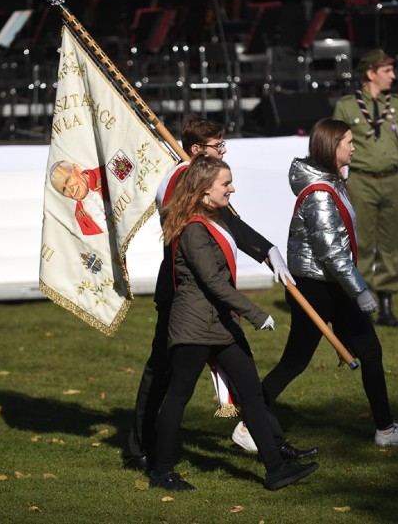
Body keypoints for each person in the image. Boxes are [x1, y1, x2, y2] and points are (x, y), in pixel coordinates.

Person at [123, 117, 317, 471]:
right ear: (196, 151)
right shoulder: (183, 179)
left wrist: (266, 249)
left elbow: (230, 222)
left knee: (244, 378)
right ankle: (142, 449)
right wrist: (258, 302)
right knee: (167, 377)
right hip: (184, 296)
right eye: (217, 146)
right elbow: (209, 228)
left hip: (209, 300)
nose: (223, 150)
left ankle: (273, 447)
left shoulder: (204, 178)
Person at [260, 118, 398, 448]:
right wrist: (361, 290)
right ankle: (251, 418)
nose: (353, 147)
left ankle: (386, 429)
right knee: (295, 360)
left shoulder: (332, 182)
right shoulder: (320, 194)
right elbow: (332, 252)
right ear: (331, 146)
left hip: (332, 285)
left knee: (370, 350)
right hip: (316, 288)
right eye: (348, 142)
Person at [332, 48, 398, 327]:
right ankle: (360, 303)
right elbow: (337, 146)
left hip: (392, 180)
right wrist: (341, 182)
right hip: (361, 180)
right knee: (363, 244)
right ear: (371, 73)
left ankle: (387, 306)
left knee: (392, 244)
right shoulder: (347, 105)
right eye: (387, 71)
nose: (393, 76)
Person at [49, 160, 109, 235]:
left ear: (76, 169)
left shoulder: (106, 172)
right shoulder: (79, 216)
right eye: (64, 190)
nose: (70, 190)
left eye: (67, 180)